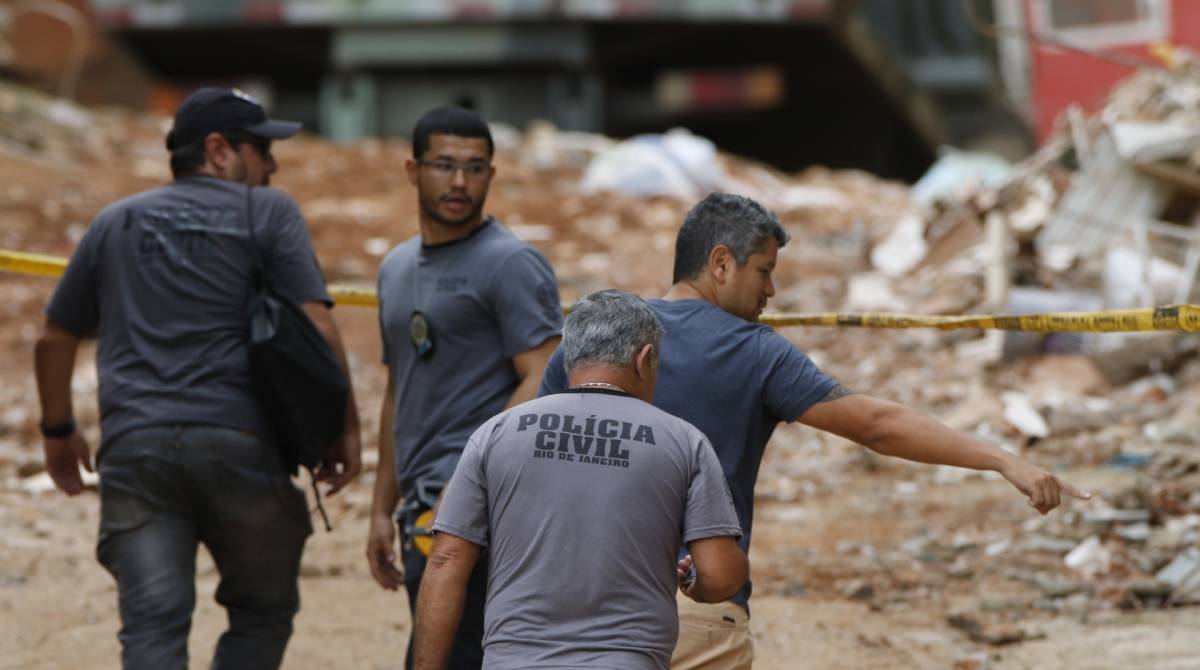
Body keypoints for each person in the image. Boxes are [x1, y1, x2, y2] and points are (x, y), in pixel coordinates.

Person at [539, 192, 1091, 670]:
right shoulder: (752, 351)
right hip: (692, 617)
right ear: (721, 263)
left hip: (567, 607)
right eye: (764, 270)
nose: (772, 291)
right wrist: (1001, 459)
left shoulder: (594, 340)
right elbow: (876, 424)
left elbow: (532, 457)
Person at [33, 87, 362, 670]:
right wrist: (343, 430)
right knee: (261, 611)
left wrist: (59, 431)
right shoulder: (268, 211)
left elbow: (55, 339)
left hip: (138, 454)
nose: (272, 164)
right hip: (242, 448)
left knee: (152, 629)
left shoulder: (114, 223)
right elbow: (317, 326)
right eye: (261, 149)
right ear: (218, 150)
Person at [413, 289, 748, 670]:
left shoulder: (496, 433)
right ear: (644, 359)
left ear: (571, 356)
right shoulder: (685, 442)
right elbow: (721, 575)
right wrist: (696, 587)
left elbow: (444, 560)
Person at [367, 105, 563, 669]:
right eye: (444, 165)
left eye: (475, 168)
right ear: (412, 170)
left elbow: (543, 374)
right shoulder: (395, 268)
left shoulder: (511, 263)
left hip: (485, 515)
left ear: (492, 176)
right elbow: (398, 390)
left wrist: (468, 480)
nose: (459, 182)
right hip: (422, 516)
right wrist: (383, 508)